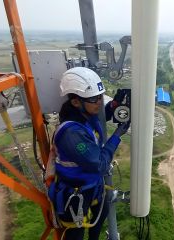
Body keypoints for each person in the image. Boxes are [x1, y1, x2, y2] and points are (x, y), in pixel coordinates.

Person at [50, 67, 129, 240]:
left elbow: (101, 116)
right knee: (76, 234)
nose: (99, 102)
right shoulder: (71, 134)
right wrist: (116, 136)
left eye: (100, 96)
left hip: (91, 187)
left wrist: (114, 104)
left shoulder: (84, 114)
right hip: (75, 194)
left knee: (101, 215)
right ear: (76, 101)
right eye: (94, 98)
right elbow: (99, 164)